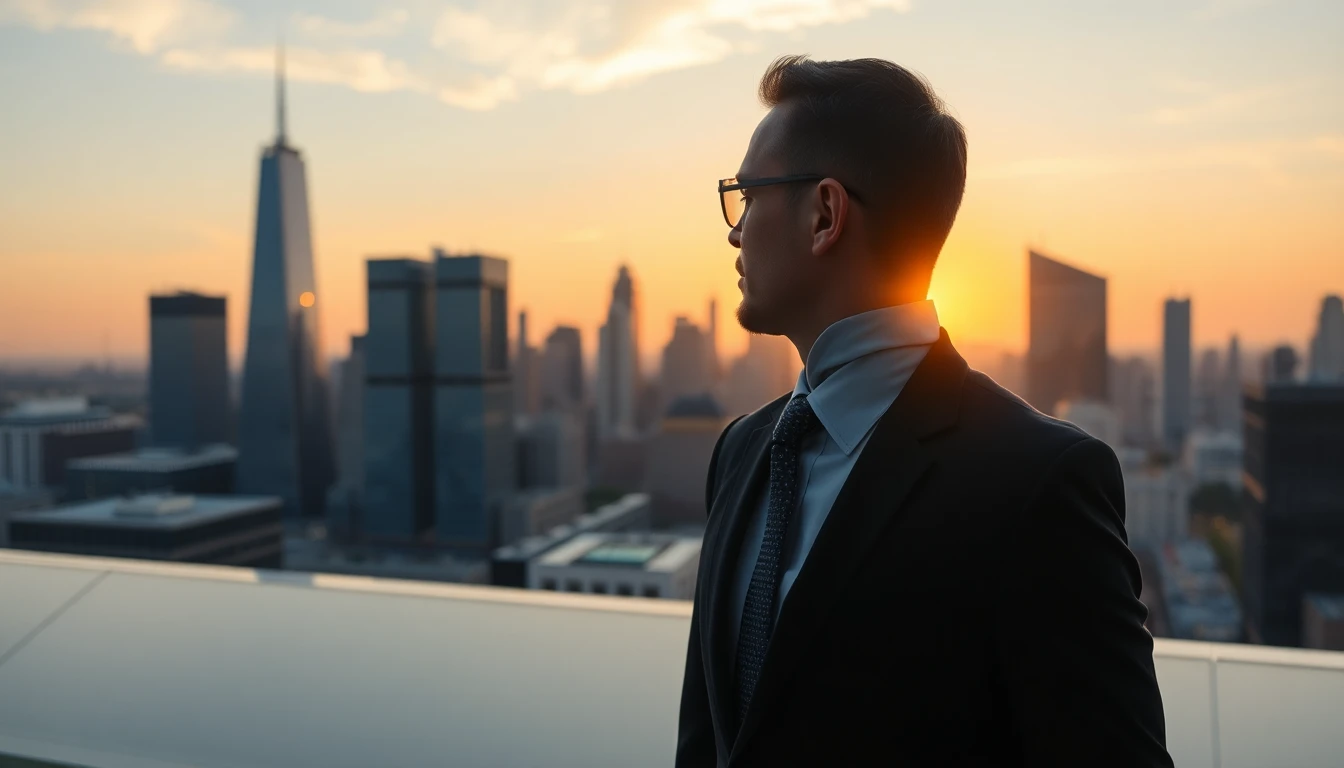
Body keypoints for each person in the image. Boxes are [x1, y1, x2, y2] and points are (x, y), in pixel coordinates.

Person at [676, 55, 1173, 767]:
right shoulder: (742, 452)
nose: (735, 229)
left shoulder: (1037, 484)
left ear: (824, 214)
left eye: (748, 196)